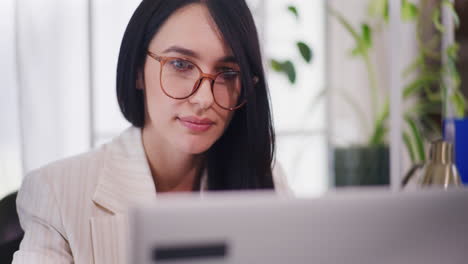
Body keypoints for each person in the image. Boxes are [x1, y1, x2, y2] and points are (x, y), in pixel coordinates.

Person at [12, 0, 290, 263]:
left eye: (228, 72)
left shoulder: (266, 179)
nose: (204, 99)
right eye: (180, 65)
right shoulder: (56, 192)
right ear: (137, 71)